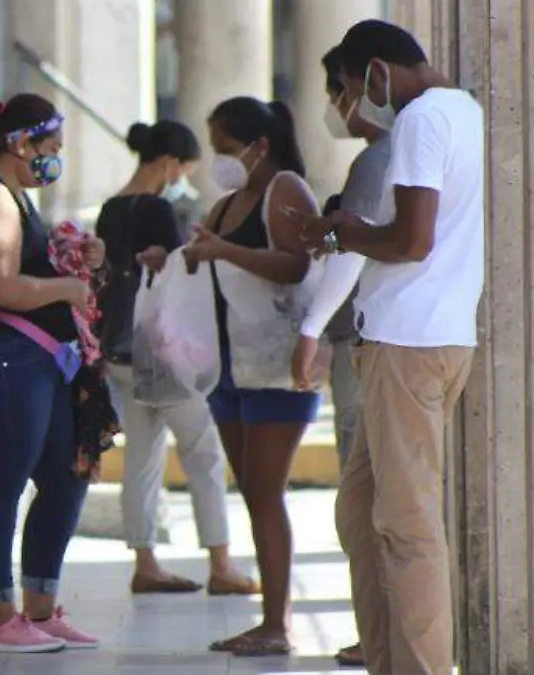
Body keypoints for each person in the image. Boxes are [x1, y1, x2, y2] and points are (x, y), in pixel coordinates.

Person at [301, 20, 483, 675]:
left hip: (409, 342)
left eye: (354, 88)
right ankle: (387, 658)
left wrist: (348, 234)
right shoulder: (462, 109)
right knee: (359, 514)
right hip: (421, 336)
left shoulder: (418, 122)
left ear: (378, 70)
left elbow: (411, 241)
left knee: (407, 526)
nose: (357, 104)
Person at [0, 93, 101, 654]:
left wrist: (79, 258)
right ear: (20, 144)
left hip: (27, 358)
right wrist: (69, 289)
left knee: (66, 470)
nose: (55, 159)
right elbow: (1, 287)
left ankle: (39, 606)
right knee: (1, 483)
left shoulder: (15, 196)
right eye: (50, 148)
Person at [97, 120, 257, 597]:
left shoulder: (109, 209)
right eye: (184, 168)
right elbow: (177, 277)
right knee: (204, 452)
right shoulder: (157, 208)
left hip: (118, 351)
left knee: (141, 460)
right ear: (169, 164)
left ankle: (145, 561)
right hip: (159, 351)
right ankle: (222, 563)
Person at [186, 96, 321, 657]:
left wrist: (222, 252)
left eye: (224, 149)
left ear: (258, 146)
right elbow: (213, 261)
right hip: (229, 367)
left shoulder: (284, 189)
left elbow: (298, 263)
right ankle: (270, 618)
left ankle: (276, 622)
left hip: (275, 365)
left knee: (266, 494)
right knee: (254, 493)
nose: (218, 160)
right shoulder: (227, 203)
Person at [290, 43, 397, 670]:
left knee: (375, 508)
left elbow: (347, 244)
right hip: (376, 342)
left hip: (371, 344)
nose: (337, 109)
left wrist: (309, 326)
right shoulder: (393, 155)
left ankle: (387, 638)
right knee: (372, 505)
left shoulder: (379, 159)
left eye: (338, 93)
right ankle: (381, 637)